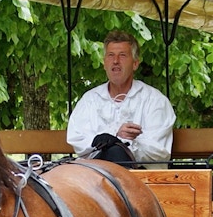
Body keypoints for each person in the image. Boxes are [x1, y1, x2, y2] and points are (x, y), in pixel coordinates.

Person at [67, 30, 175, 167]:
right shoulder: (90, 100)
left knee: (116, 153)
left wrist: (119, 143)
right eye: (111, 55)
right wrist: (114, 135)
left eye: (122, 55)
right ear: (104, 63)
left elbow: (158, 152)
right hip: (96, 178)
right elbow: (79, 142)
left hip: (143, 179)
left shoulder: (155, 101)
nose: (116, 61)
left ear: (135, 63)